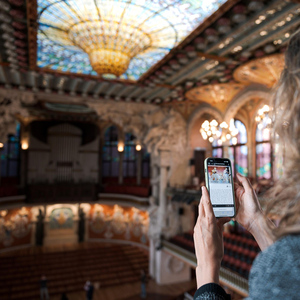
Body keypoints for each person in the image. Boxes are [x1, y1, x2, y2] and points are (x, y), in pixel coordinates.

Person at [193, 29, 300, 300]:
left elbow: (290, 275)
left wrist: (207, 272)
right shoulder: (284, 263)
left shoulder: (273, 271)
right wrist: (255, 222)